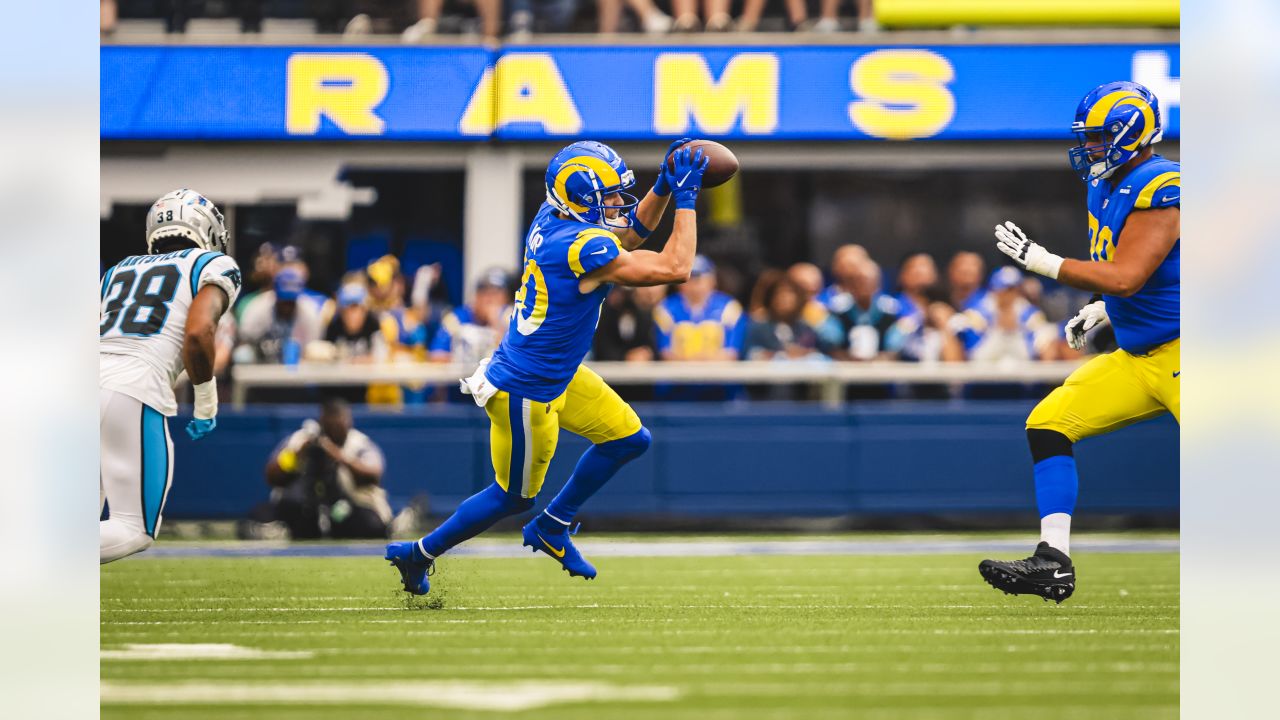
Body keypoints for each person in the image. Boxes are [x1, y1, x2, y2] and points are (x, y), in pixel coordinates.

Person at [385, 139, 709, 595]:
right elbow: (675, 268)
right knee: (513, 496)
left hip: (558, 370)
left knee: (629, 439)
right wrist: (689, 197)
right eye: (610, 196)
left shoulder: (556, 218)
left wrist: (663, 187)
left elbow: (629, 235)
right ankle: (417, 554)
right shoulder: (579, 246)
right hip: (526, 388)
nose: (619, 204)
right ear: (581, 198)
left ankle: (553, 525)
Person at [980, 81, 1180, 603]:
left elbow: (1128, 276)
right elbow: (1130, 275)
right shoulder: (1107, 182)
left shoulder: (1164, 185)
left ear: (1128, 134)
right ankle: (1054, 560)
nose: (1088, 147)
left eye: (1096, 138)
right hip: (1140, 354)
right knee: (1048, 424)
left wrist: (1043, 263)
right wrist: (1105, 309)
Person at [99, 189, 241, 562]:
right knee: (134, 528)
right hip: (133, 387)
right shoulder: (212, 264)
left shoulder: (117, 271)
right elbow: (197, 332)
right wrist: (207, 403)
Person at [259, 399, 392, 540]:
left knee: (370, 525)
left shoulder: (359, 443)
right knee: (264, 516)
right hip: (303, 509)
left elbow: (374, 474)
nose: (335, 429)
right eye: (330, 425)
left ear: (349, 422)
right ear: (322, 421)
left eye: (339, 424)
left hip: (346, 509)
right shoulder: (300, 440)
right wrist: (297, 455)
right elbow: (271, 475)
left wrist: (338, 456)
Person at [951, 267, 1056, 363]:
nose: (1008, 295)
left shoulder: (1029, 312)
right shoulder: (980, 310)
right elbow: (972, 349)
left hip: (1021, 366)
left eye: (1012, 289)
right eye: (1004, 289)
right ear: (994, 289)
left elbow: (1039, 344)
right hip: (985, 366)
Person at [234, 266, 325, 364]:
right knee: (243, 354)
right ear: (275, 293)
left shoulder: (310, 312)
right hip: (261, 360)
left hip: (299, 363)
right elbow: (245, 340)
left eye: (291, 301)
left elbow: (312, 347)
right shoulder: (258, 308)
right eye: (284, 300)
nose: (287, 306)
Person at [429, 268, 512, 368]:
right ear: (477, 296)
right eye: (487, 294)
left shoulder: (508, 318)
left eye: (497, 295)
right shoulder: (455, 319)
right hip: (459, 381)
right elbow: (435, 356)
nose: (491, 301)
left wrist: (496, 323)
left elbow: (513, 356)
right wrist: (465, 357)